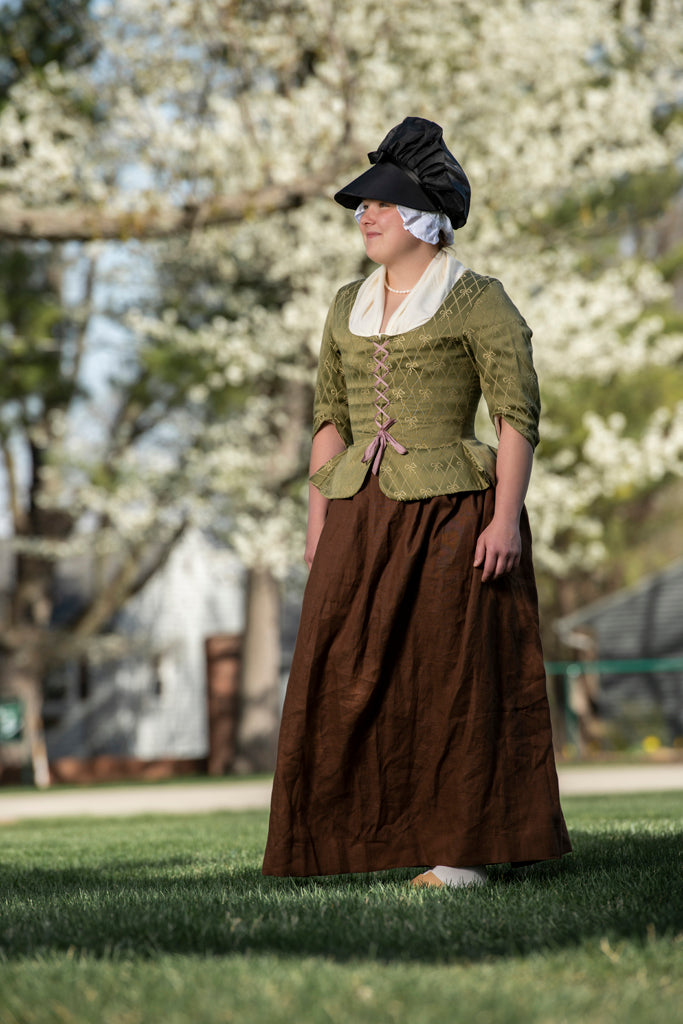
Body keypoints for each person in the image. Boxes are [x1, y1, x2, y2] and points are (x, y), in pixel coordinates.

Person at [262, 116, 571, 888]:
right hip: (359, 516)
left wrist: (505, 519)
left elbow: (514, 417)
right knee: (343, 675)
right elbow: (328, 418)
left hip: (450, 515)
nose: (364, 214)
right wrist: (316, 526)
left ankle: (458, 854)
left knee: (451, 676)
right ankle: (340, 842)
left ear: (423, 217)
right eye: (360, 204)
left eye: (381, 203)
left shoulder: (476, 301)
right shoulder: (344, 304)